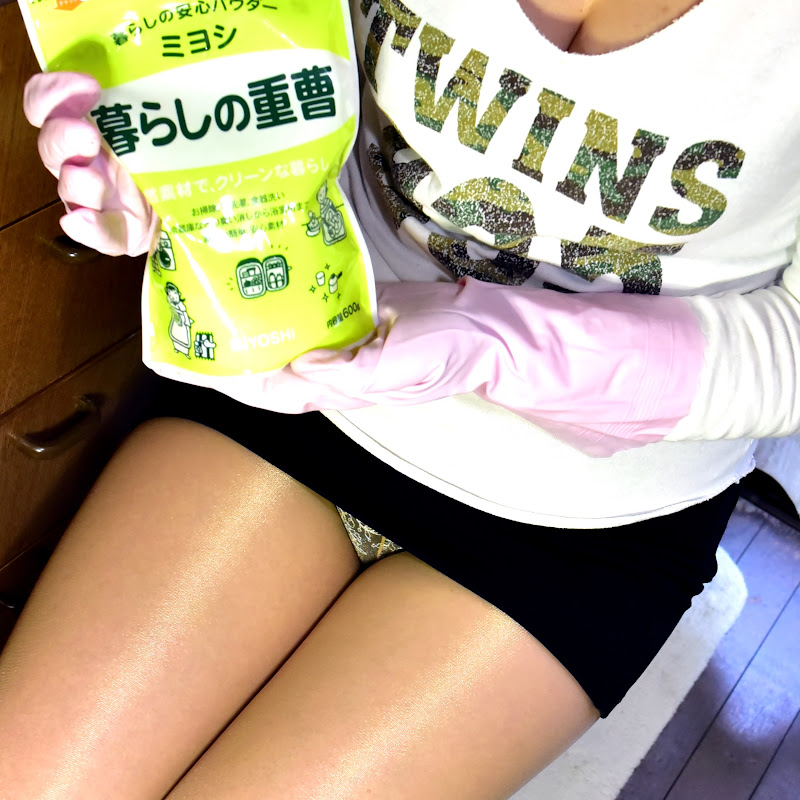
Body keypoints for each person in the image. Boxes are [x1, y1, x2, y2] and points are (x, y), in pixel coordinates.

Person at [2, 0, 799, 797]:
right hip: (304, 371)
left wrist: (506, 342)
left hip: (584, 523)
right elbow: (289, 52)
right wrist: (187, 166)